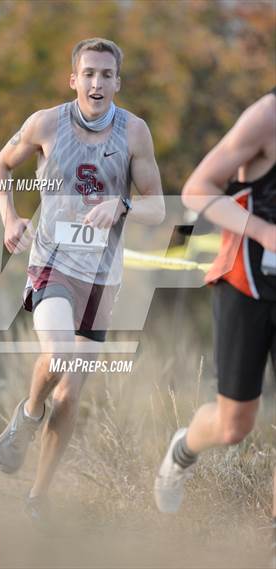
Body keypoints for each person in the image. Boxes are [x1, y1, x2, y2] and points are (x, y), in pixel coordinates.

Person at [0, 38, 164, 520]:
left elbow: (158, 205)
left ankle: (38, 498)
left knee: (71, 393)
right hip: (52, 262)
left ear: (118, 83)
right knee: (60, 351)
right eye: (89, 73)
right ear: (74, 79)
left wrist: (123, 204)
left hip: (103, 278)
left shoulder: (135, 134)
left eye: (107, 75)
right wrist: (9, 218)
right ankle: (27, 414)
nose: (97, 83)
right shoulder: (45, 123)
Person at [154, 89, 276, 514]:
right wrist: (263, 232)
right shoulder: (265, 117)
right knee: (233, 425)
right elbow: (196, 189)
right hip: (247, 282)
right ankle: (182, 450)